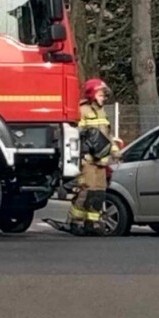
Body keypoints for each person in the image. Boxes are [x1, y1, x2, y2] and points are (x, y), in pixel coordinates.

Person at [46, 78, 121, 235]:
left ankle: (92, 222)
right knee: (85, 190)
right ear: (92, 94)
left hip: (101, 161)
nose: (104, 98)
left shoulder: (102, 112)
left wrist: (114, 150)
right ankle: (75, 222)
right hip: (87, 160)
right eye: (101, 95)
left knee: (98, 192)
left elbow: (107, 135)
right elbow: (75, 135)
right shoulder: (82, 111)